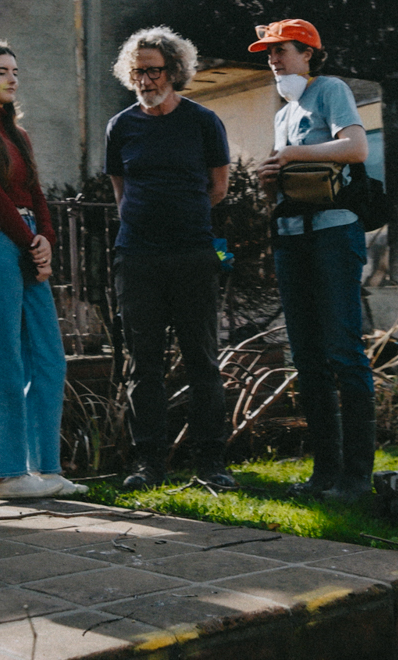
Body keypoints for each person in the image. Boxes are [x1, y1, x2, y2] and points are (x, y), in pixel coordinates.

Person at [0, 37, 86, 500]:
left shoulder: (18, 135)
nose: (12, 80)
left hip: (24, 241)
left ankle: (45, 469)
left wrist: (45, 239)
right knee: (2, 357)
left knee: (48, 356)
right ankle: (5, 474)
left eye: (15, 72)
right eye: (1, 71)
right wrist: (31, 244)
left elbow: (36, 194)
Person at [251, 18, 375, 502]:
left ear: (308, 54)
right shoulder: (284, 112)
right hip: (291, 237)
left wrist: (292, 154)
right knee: (306, 357)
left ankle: (356, 478)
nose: (273, 60)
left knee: (343, 351)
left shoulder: (330, 89)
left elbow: (357, 148)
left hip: (333, 234)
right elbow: (294, 170)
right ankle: (324, 474)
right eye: (269, 53)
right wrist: (271, 176)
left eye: (281, 50)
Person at [105, 26, 233, 489]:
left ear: (174, 70)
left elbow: (218, 188)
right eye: (138, 72)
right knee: (144, 365)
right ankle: (149, 465)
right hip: (137, 258)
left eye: (154, 71)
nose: (146, 80)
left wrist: (181, 217)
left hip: (193, 254)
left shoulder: (203, 122)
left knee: (202, 361)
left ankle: (211, 464)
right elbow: (121, 192)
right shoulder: (121, 127)